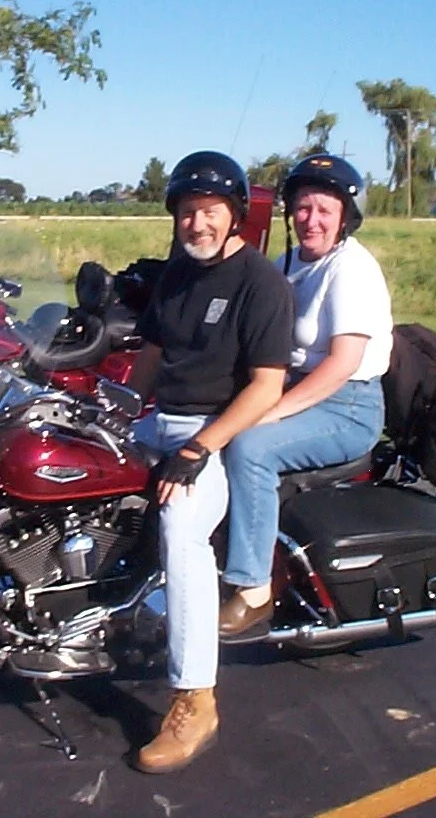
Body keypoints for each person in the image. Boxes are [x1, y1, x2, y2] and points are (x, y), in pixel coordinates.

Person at [127, 150, 294, 773]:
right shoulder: (177, 272)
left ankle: (195, 697)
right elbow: (153, 348)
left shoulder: (261, 284)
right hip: (161, 419)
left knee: (182, 527)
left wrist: (200, 448)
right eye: (187, 212)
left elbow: (266, 386)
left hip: (215, 431)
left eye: (210, 212)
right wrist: (114, 408)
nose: (197, 224)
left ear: (235, 217)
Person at [218, 154, 394, 641]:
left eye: (323, 210)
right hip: (295, 390)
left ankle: (253, 591)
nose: (311, 219)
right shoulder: (287, 263)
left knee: (249, 447)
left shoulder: (352, 270)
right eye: (302, 208)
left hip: (348, 406)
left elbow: (342, 364)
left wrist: (268, 413)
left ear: (344, 217)